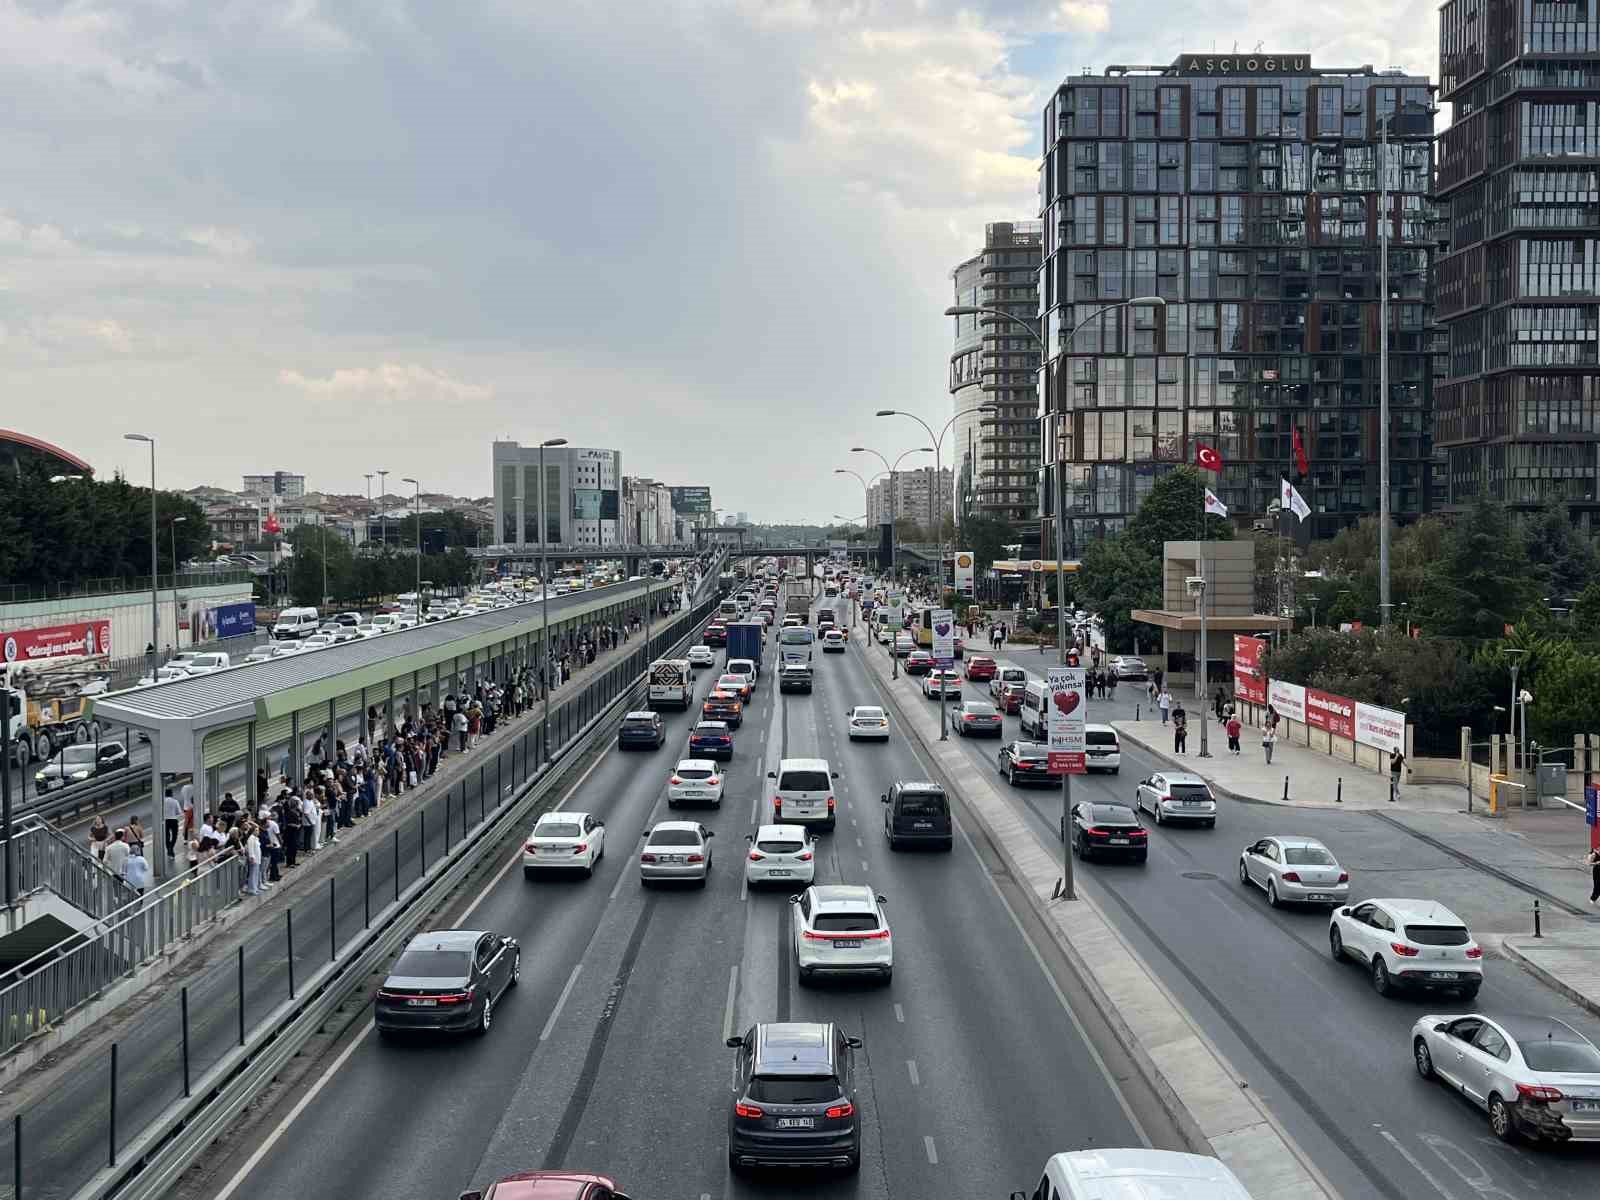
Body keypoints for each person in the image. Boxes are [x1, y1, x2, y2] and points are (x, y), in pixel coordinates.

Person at [243, 824, 263, 897]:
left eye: (258, 830)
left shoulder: (256, 838)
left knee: (256, 874)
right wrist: (252, 857)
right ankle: (251, 889)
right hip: (254, 859)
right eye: (256, 830)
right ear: (252, 831)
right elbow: (250, 849)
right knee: (253, 874)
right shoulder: (251, 838)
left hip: (257, 858)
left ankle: (255, 888)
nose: (258, 832)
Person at [163, 787, 181, 857]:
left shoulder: (162, 801)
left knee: (166, 836)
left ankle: (169, 849)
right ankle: (171, 847)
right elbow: (178, 812)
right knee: (174, 835)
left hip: (165, 820)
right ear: (171, 794)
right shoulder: (175, 801)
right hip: (173, 820)